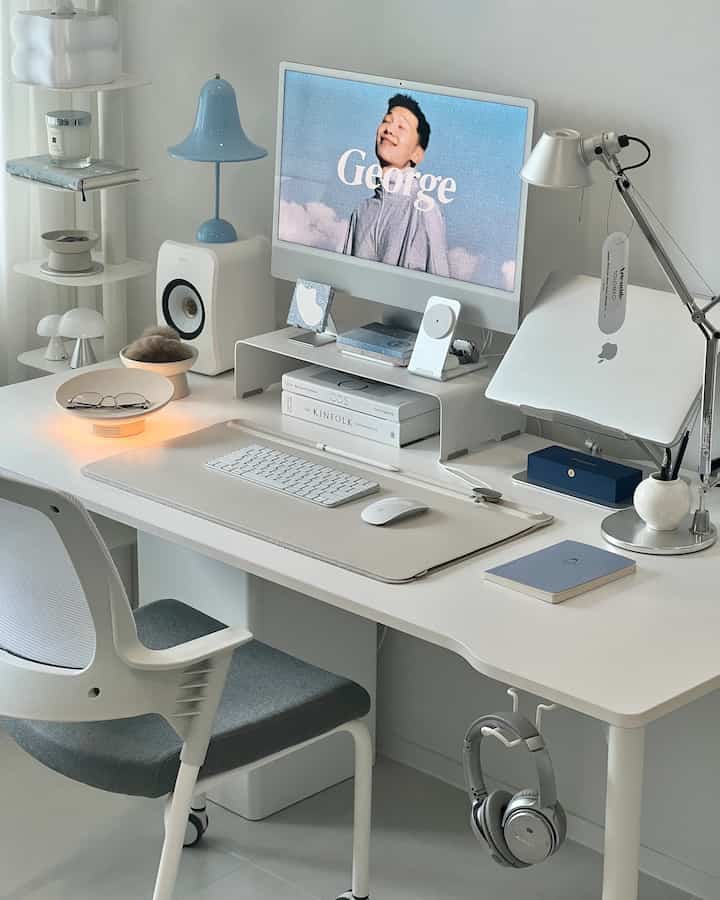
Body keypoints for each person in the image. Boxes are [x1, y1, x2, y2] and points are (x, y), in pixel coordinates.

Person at [343, 94, 449, 275]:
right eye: (387, 121)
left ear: (417, 154)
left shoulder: (425, 210)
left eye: (401, 127)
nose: (389, 130)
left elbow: (440, 284)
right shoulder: (361, 211)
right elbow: (343, 277)